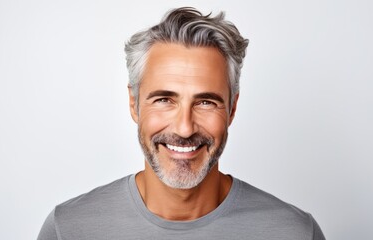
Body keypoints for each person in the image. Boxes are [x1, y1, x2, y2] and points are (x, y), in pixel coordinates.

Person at [38, 7, 325, 240]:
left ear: (233, 108)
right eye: (164, 99)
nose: (184, 128)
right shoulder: (69, 230)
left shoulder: (295, 233)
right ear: (134, 104)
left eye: (205, 102)